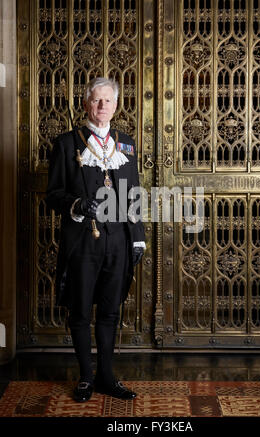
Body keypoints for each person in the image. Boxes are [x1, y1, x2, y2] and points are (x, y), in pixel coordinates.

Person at [46, 77, 145, 402]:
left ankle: (106, 377)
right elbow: (53, 194)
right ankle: (86, 378)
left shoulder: (126, 143)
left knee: (109, 311)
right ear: (86, 103)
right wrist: (75, 204)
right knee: (80, 312)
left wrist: (138, 238)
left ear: (116, 106)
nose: (102, 106)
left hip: (118, 239)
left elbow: (133, 195)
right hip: (83, 241)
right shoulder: (66, 143)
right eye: (96, 100)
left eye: (108, 101)